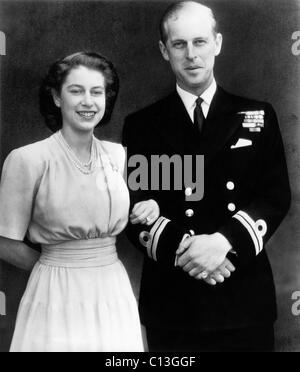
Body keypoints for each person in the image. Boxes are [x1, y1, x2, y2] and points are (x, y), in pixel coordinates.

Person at [123, 1, 291, 352]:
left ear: (217, 43)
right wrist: (188, 250)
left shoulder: (257, 115)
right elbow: (134, 206)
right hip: (173, 299)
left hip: (242, 294)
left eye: (200, 42)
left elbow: (274, 197)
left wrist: (223, 243)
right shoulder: (142, 125)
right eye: (179, 44)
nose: (191, 55)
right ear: (164, 50)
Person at [0, 51, 153, 352]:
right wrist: (54, 269)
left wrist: (154, 207)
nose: (88, 101)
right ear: (57, 98)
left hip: (112, 288)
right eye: (76, 90)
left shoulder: (120, 156)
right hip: (55, 292)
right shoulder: (28, 160)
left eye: (97, 92)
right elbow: (5, 242)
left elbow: (177, 190)